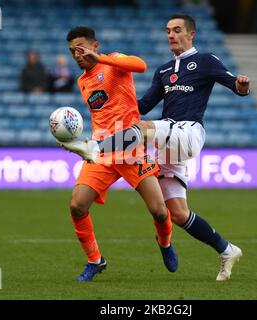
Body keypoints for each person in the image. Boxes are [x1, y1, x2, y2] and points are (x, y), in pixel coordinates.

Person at [59, 14, 249, 281]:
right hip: (166, 143)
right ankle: (227, 250)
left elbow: (234, 84)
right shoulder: (163, 71)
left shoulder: (205, 61)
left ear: (191, 34)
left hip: (187, 131)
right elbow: (142, 105)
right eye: (168, 30)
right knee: (175, 213)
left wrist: (241, 87)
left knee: (143, 128)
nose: (171, 34)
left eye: (177, 30)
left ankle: (94, 147)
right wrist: (119, 101)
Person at [62, 26, 178, 282]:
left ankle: (165, 243)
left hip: (130, 149)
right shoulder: (82, 81)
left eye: (80, 49)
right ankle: (95, 260)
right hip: (101, 152)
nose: (77, 55)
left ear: (94, 46)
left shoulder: (115, 62)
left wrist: (101, 59)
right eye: (72, 51)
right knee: (77, 206)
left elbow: (141, 65)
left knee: (159, 211)